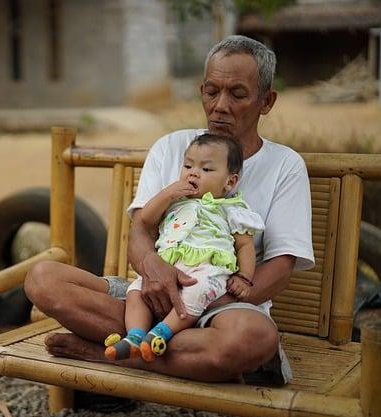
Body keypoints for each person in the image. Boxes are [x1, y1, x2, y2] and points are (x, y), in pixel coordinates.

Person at [24, 35, 314, 384]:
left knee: (253, 339)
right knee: (42, 279)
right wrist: (155, 272)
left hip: (223, 304)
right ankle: (178, 350)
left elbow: (281, 265)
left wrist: (205, 302)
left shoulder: (285, 165)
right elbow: (141, 230)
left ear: (266, 101)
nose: (220, 105)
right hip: (151, 291)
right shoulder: (172, 147)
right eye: (211, 91)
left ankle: (103, 353)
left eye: (237, 94)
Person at [104, 133, 264, 363]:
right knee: (136, 290)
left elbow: (245, 245)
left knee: (197, 292)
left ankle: (161, 333)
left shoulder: (232, 209)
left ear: (230, 182)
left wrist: (245, 277)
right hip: (167, 267)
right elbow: (145, 220)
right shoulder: (175, 202)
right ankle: (135, 336)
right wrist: (167, 194)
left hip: (207, 269)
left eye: (207, 170)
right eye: (188, 165)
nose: (193, 172)